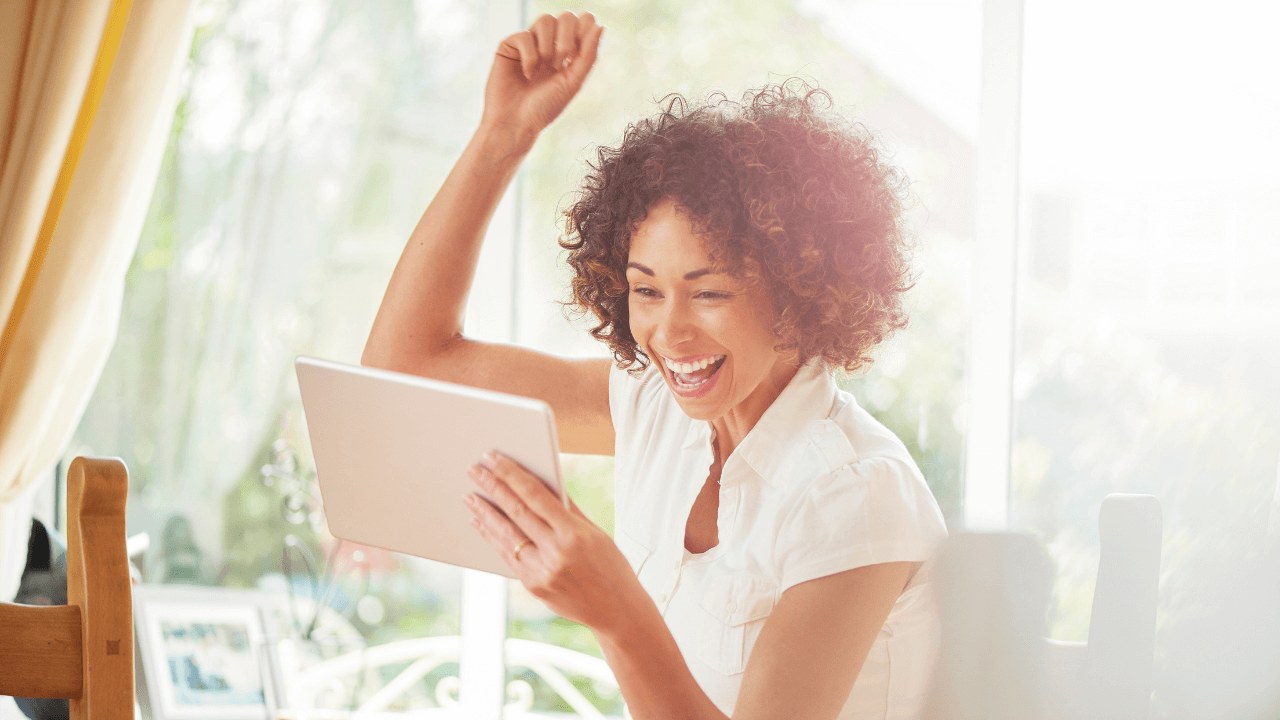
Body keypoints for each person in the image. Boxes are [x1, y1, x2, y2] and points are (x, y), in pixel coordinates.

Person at [362, 11, 946, 720]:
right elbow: (404, 371)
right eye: (645, 289)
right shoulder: (654, 408)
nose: (667, 333)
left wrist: (616, 612)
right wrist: (503, 135)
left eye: (709, 292)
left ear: (800, 289)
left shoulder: (853, 495)